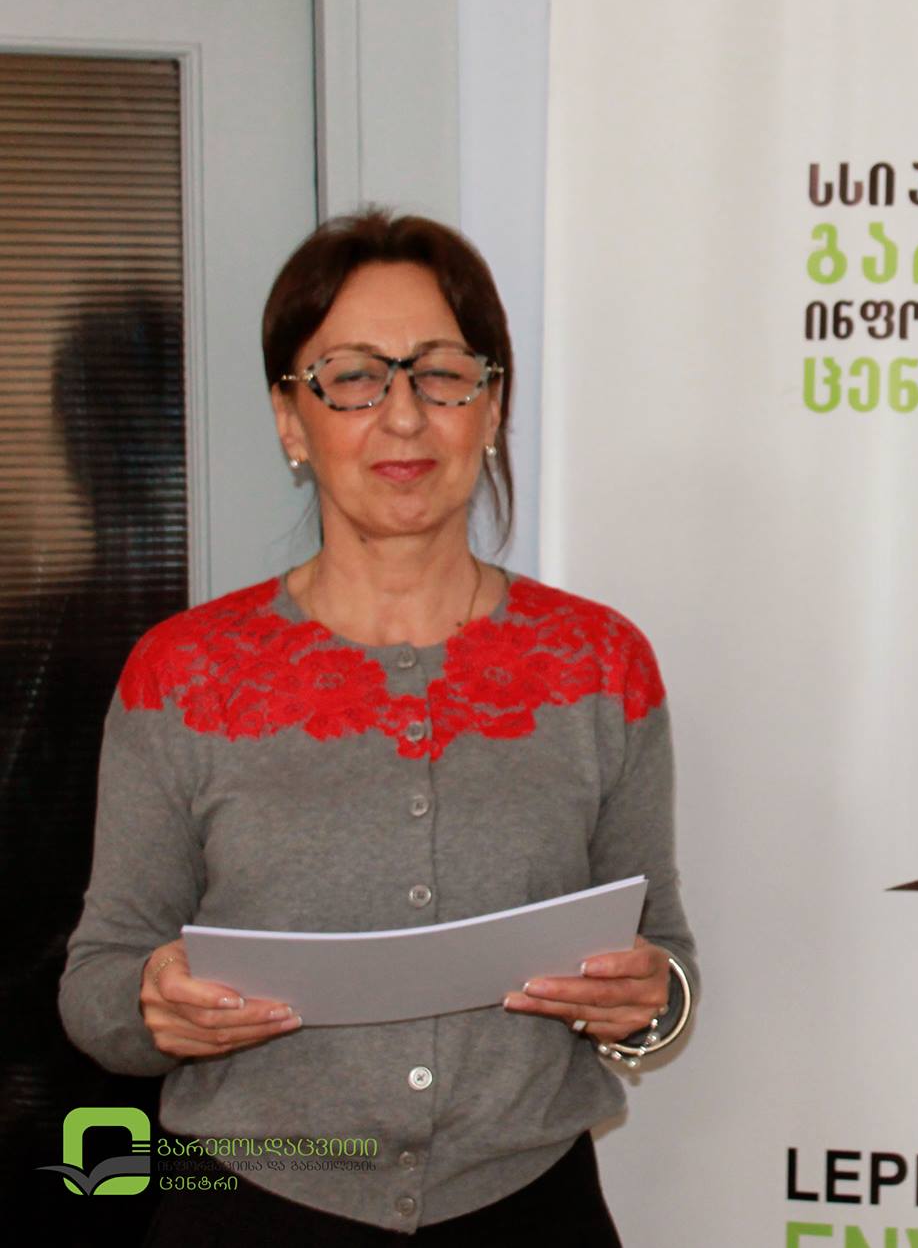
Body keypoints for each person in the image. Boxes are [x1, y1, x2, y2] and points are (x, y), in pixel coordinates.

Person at [59, 211, 698, 1242]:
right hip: (251, 1208)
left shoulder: (599, 663)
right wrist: (153, 1003)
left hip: (530, 1208)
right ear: (289, 419)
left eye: (441, 374)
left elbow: (661, 958)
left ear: (491, 407)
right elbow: (99, 983)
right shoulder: (181, 674)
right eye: (352, 377)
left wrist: (650, 999)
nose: (403, 417)